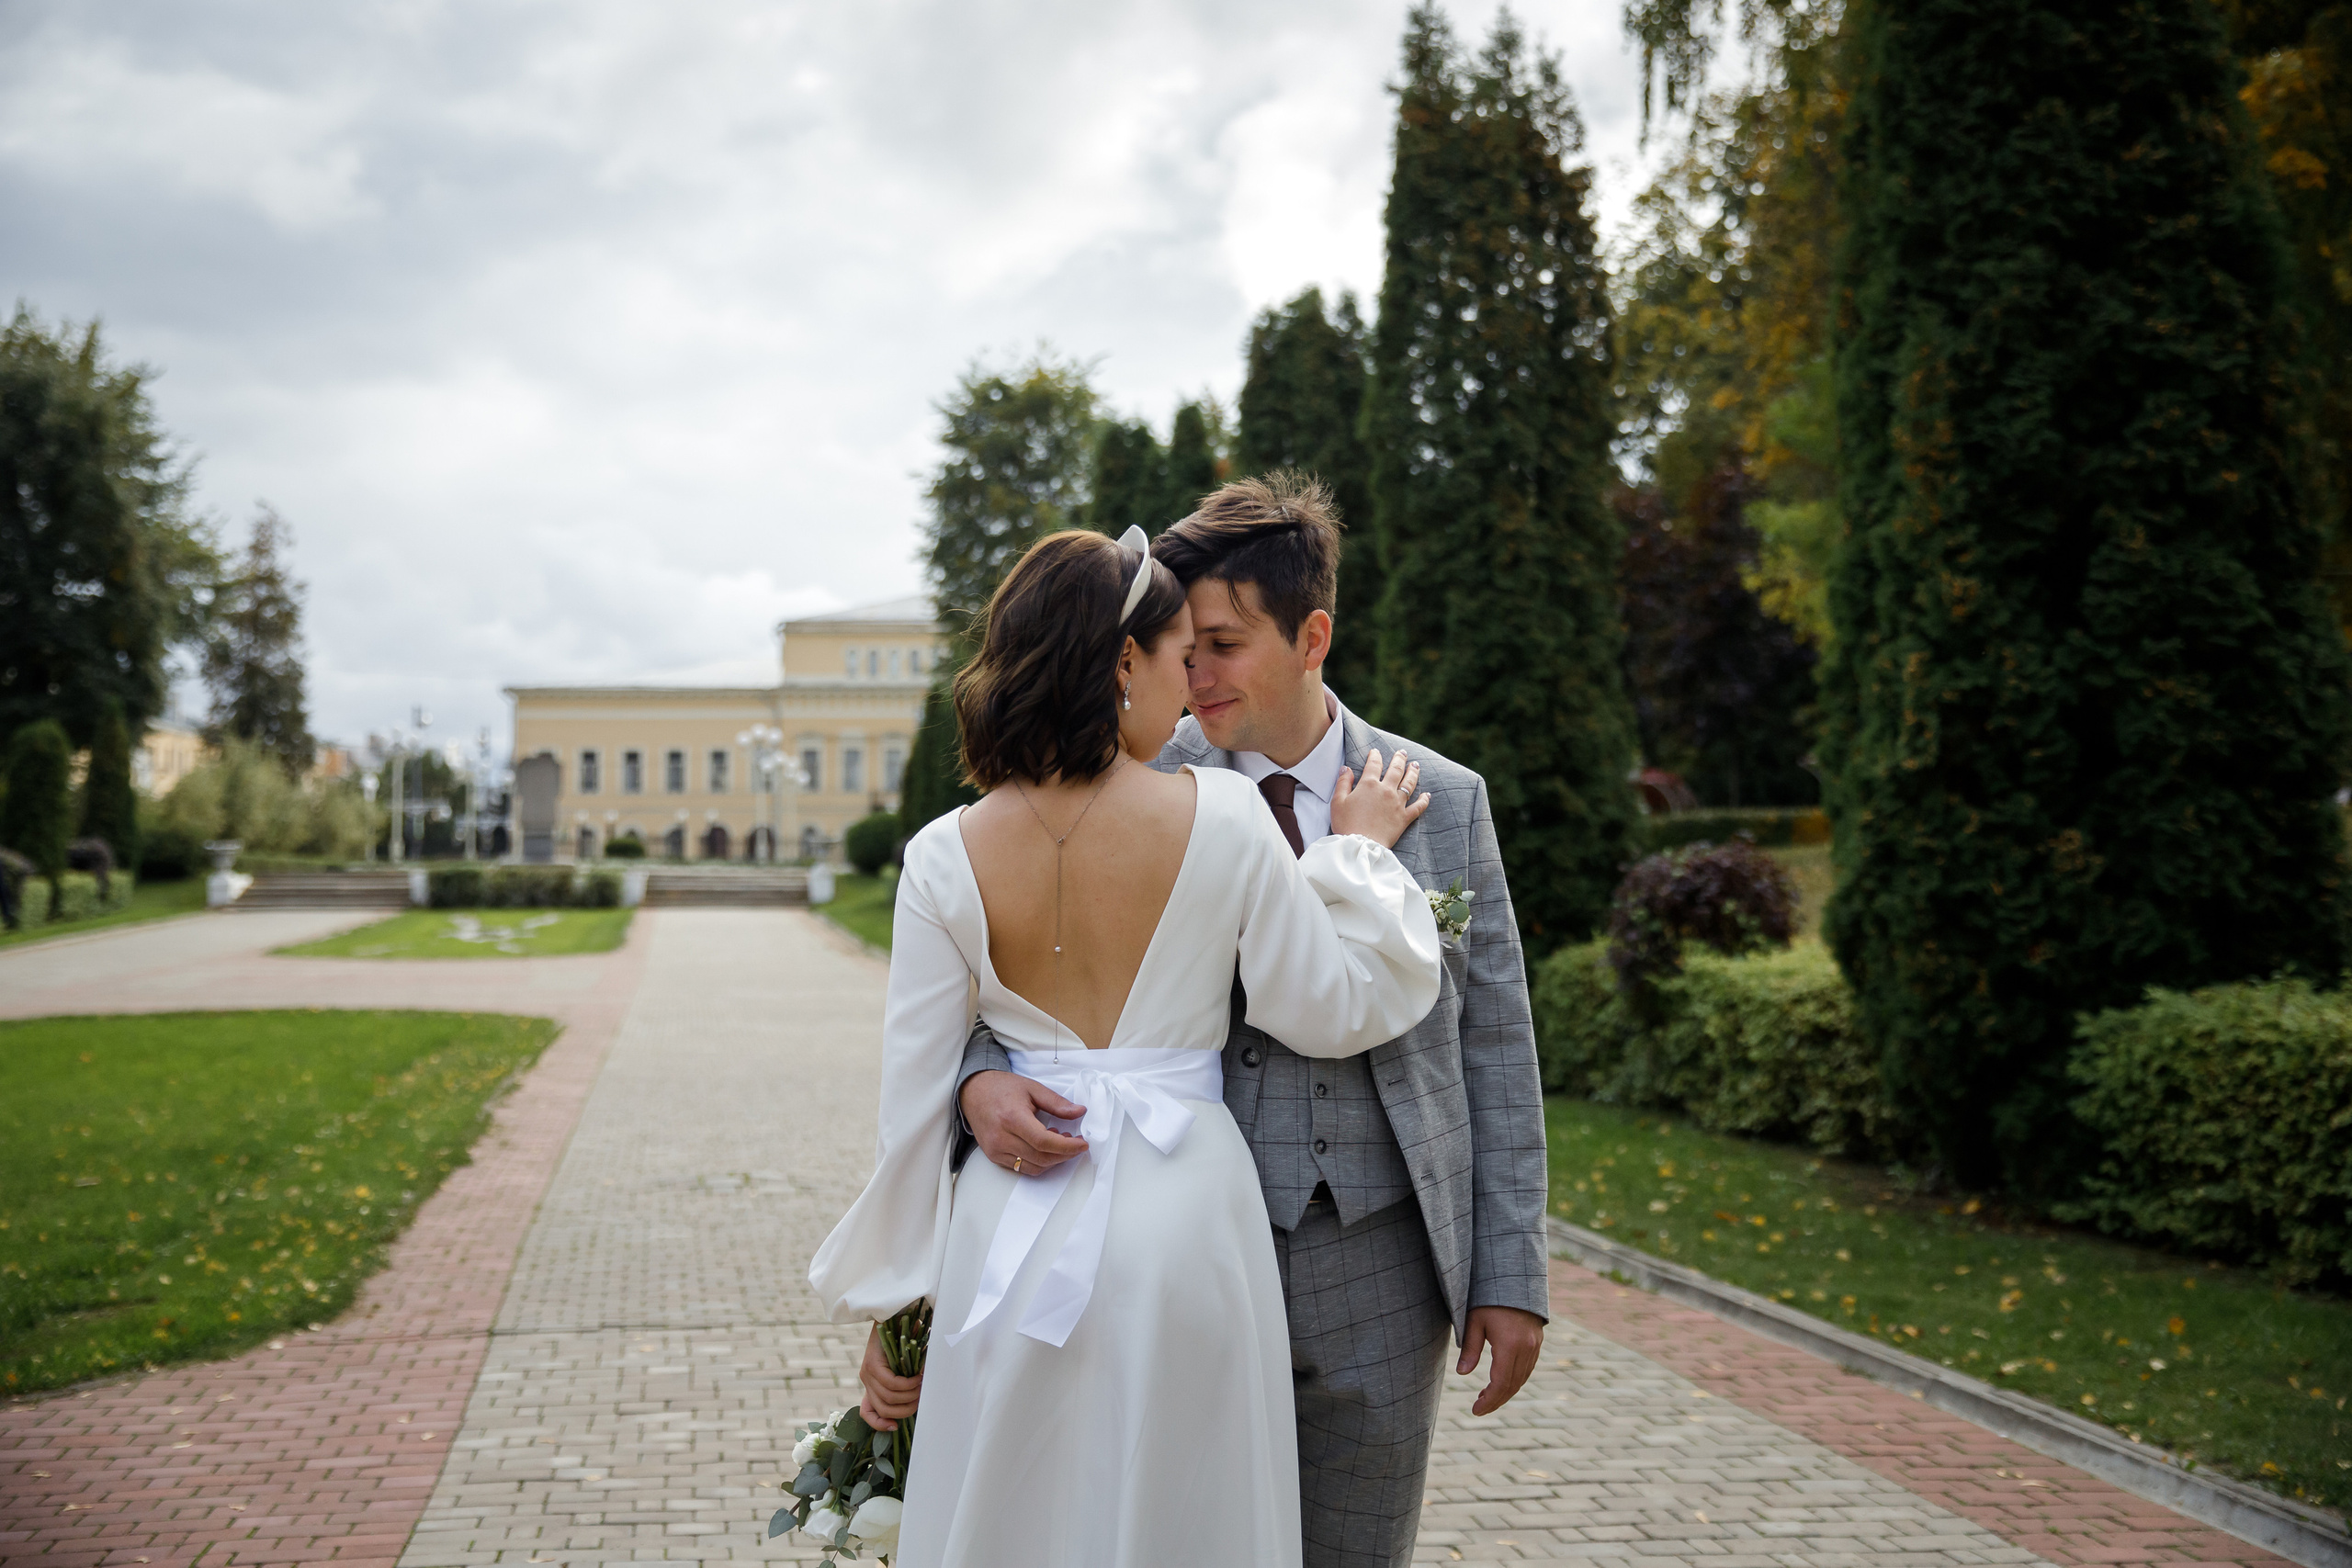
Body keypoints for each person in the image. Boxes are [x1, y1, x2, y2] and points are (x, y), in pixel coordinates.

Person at [807, 525, 1444, 1567]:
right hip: (1188, 1211)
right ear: (1118, 664)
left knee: (1017, 1505)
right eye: (1175, 655)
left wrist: (892, 1315)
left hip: (1010, 1226)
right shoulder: (1226, 816)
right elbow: (1330, 1004)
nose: (1190, 685)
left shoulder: (938, 855)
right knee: (1186, 1511)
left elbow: (912, 1111)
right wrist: (1359, 859)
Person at [945, 474, 1550, 1568]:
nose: (1194, 671)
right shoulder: (1119, 781)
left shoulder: (1443, 800)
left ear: (1311, 634)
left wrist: (1512, 1276)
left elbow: (1495, 1043)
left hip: (1377, 1269)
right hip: (1167, 1257)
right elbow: (1007, 962)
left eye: (1221, 643)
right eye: (1181, 644)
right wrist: (978, 1077)